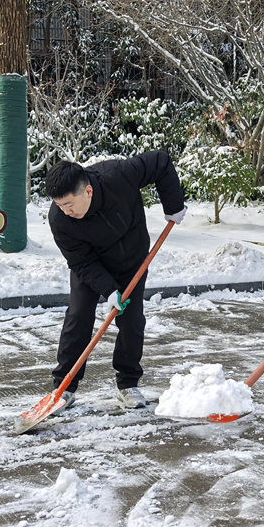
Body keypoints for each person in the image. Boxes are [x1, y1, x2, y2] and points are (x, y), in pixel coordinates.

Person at [45, 151, 186, 411]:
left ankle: (127, 383)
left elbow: (160, 162)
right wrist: (109, 290)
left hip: (132, 260)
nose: (65, 211)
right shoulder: (60, 219)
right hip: (92, 265)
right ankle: (64, 388)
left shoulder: (119, 175)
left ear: (88, 191)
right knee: (78, 317)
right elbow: (80, 262)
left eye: (69, 204)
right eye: (60, 205)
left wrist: (173, 205)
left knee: (132, 321)